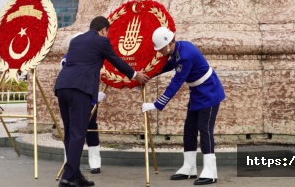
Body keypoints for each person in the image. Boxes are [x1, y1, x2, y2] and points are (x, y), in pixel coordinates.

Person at [54, 16, 150, 187]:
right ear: (104, 30)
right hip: (80, 89)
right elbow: (116, 61)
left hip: (62, 86)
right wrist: (135, 75)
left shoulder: (76, 41)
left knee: (70, 133)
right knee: (78, 133)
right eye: (108, 32)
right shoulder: (101, 41)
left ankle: (75, 174)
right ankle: (68, 178)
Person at [142, 27, 225, 185]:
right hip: (198, 93)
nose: (159, 52)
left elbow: (176, 82)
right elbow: (166, 66)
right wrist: (147, 75)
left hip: (210, 92)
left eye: (160, 49)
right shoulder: (178, 50)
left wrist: (157, 104)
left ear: (168, 45)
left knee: (205, 130)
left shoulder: (184, 55)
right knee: (189, 130)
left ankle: (210, 171)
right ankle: (189, 167)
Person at [61, 32, 105, 175]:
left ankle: (95, 161)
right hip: (78, 96)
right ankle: (70, 164)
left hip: (90, 96)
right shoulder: (67, 59)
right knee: (73, 130)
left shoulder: (90, 57)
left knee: (91, 126)